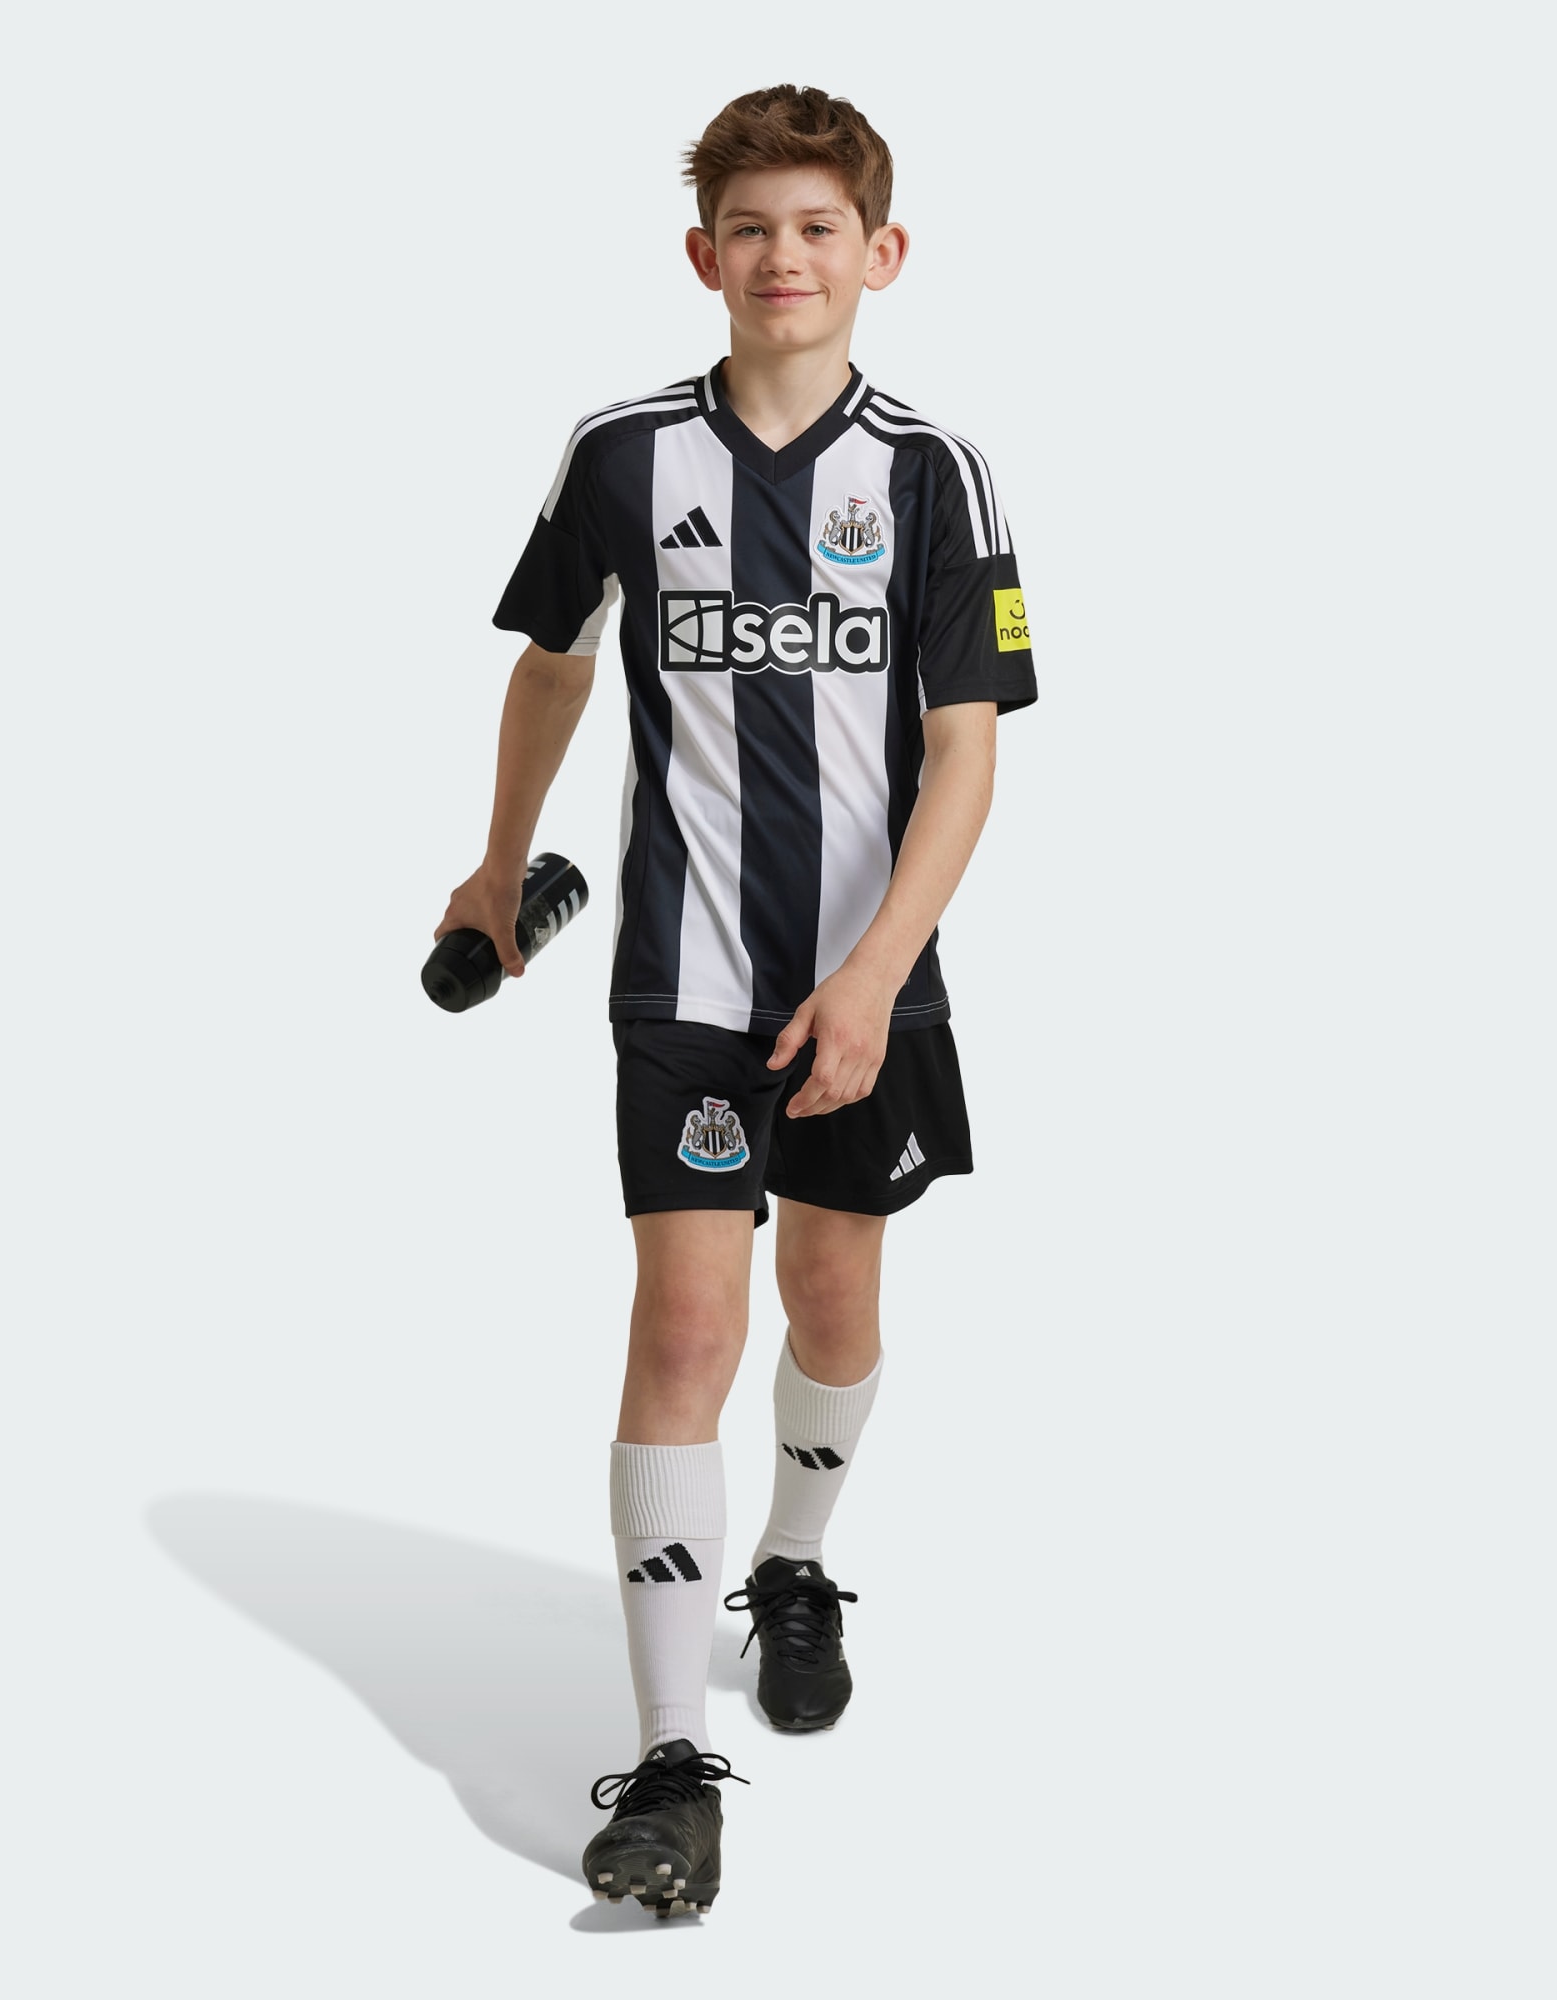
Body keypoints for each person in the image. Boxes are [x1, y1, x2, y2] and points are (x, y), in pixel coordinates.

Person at [435, 82, 1037, 1918]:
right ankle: (673, 1765)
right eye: (752, 230)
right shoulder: (621, 453)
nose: (786, 257)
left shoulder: (934, 475)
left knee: (834, 1307)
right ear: (704, 256)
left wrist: (873, 977)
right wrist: (497, 862)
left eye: (818, 228)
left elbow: (966, 756)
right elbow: (555, 663)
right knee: (686, 1329)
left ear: (882, 253)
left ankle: (791, 1562)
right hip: (680, 982)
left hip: (869, 987)